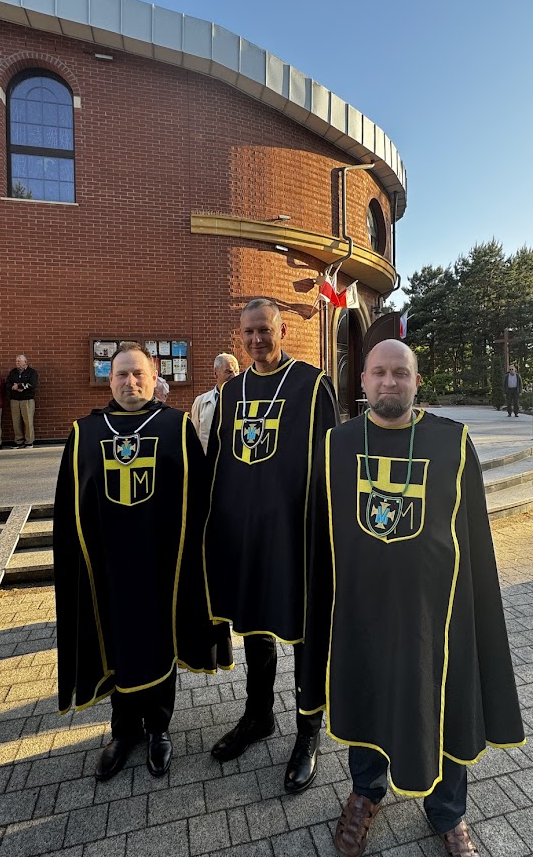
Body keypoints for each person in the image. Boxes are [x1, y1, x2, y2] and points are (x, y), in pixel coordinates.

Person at [301, 339, 525, 857]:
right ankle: (366, 792)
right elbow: (319, 534)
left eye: (400, 373)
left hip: (436, 615)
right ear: (362, 380)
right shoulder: (336, 445)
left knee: (444, 701)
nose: (389, 382)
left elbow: (474, 538)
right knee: (365, 692)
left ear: (417, 381)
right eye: (378, 372)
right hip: (362, 611)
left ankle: (448, 812)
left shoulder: (452, 442)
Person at [53, 341, 232, 781]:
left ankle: (158, 729)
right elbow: (70, 508)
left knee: (158, 640)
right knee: (118, 642)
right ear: (109, 380)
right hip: (109, 566)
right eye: (121, 374)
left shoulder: (175, 427)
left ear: (154, 379)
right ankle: (123, 731)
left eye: (138, 374)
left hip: (162, 565)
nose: (130, 382)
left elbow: (200, 500)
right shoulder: (85, 433)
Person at [204, 298, 339, 793]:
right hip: (247, 534)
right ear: (239, 337)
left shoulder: (312, 385)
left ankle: (308, 730)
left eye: (264, 330)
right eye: (248, 332)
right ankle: (258, 715)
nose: (256, 339)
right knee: (255, 627)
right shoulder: (231, 391)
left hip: (297, 534)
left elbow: (333, 459)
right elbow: (219, 462)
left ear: (282, 331)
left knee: (303, 630)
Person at [190, 353, 239, 453]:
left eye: (237, 371)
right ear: (215, 374)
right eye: (229, 371)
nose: (234, 376)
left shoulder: (244, 401)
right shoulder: (201, 402)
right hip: (209, 460)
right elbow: (194, 437)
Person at [5, 354, 38, 448]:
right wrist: (13, 387)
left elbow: (32, 384)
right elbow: (7, 383)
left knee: (28, 421)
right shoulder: (13, 372)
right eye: (16, 361)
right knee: (16, 421)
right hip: (15, 400)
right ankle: (18, 441)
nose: (17, 363)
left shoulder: (32, 372)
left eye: (19, 361)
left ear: (25, 362)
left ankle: (29, 441)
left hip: (27, 400)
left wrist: (19, 386)